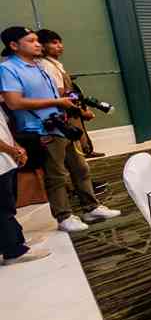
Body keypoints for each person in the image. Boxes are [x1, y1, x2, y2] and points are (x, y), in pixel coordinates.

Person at [0, 27, 119, 233]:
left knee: (80, 168)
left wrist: (74, 108)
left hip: (61, 125)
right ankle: (64, 216)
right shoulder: (8, 69)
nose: (38, 44)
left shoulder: (39, 65)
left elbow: (56, 94)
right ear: (14, 45)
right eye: (31, 41)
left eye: (37, 40)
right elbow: (14, 102)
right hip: (41, 129)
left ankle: (91, 207)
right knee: (56, 175)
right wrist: (57, 102)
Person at [37, 29, 103, 158]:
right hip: (65, 113)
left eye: (60, 42)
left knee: (79, 150)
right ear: (43, 46)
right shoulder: (48, 66)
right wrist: (82, 112)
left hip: (70, 110)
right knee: (74, 154)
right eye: (54, 43)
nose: (60, 46)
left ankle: (86, 151)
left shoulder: (55, 64)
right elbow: (60, 95)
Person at [0, 101, 50, 265]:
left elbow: (4, 128)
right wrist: (13, 151)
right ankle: (13, 251)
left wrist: (17, 147)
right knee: (3, 209)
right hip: (3, 161)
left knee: (8, 205)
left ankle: (16, 241)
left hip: (6, 160)